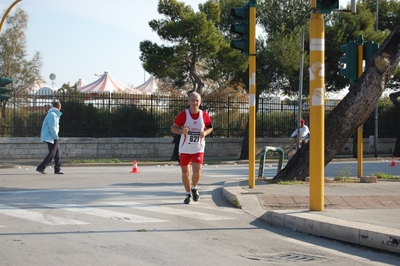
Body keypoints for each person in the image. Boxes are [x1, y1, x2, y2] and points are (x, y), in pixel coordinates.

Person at [171, 92, 213, 204]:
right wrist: (181, 131)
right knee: (185, 173)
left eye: (197, 100)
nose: (195, 103)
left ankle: (194, 187)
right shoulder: (184, 115)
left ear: (200, 102)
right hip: (185, 148)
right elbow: (173, 128)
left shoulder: (204, 115)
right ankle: (188, 193)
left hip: (198, 147)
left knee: (197, 170)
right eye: (192, 100)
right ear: (189, 102)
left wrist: (205, 133)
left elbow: (210, 128)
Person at [36, 101, 63, 174]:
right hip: (51, 136)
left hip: (51, 136)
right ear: (59, 107)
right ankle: (41, 167)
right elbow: (52, 127)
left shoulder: (52, 114)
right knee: (52, 153)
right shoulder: (53, 115)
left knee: (57, 153)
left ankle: (58, 169)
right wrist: (56, 136)